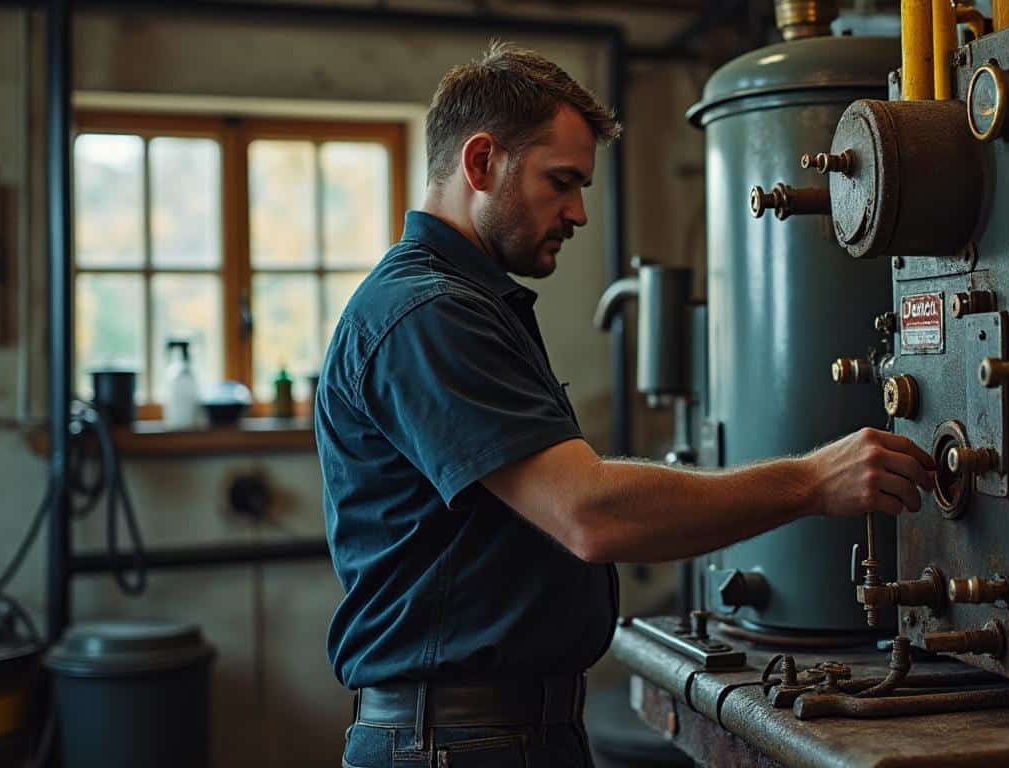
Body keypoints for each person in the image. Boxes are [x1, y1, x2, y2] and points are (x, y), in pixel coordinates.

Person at [316, 41, 936, 768]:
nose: (578, 212)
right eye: (561, 182)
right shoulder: (426, 314)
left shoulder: (466, 305)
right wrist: (810, 482)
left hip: (500, 732)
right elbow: (590, 512)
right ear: (481, 163)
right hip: (458, 742)